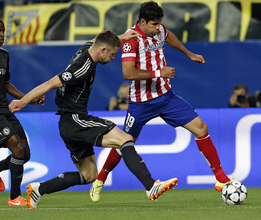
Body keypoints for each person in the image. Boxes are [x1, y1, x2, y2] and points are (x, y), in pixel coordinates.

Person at [9, 29, 178, 209]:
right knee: (125, 139)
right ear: (103, 50)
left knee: (89, 175)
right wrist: (22, 101)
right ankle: (150, 185)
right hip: (76, 119)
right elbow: (50, 83)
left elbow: (96, 40)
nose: (113, 58)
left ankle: (40, 189)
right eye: (113, 54)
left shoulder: (86, 49)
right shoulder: (83, 68)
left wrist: (120, 38)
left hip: (67, 125)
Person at [89, 1, 231, 203]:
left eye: (160, 24)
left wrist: (189, 54)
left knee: (201, 128)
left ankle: (220, 178)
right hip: (141, 103)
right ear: (142, 21)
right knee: (123, 143)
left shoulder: (159, 30)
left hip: (166, 97)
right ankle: (100, 179)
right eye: (154, 24)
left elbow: (170, 36)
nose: (158, 29)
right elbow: (128, 73)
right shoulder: (131, 40)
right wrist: (159, 72)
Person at [0, 16, 45, 206]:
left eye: (3, 30)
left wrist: (27, 98)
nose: (2, 34)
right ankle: (14, 197)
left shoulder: (4, 55)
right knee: (18, 149)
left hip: (4, 109)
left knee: (25, 153)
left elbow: (6, 84)